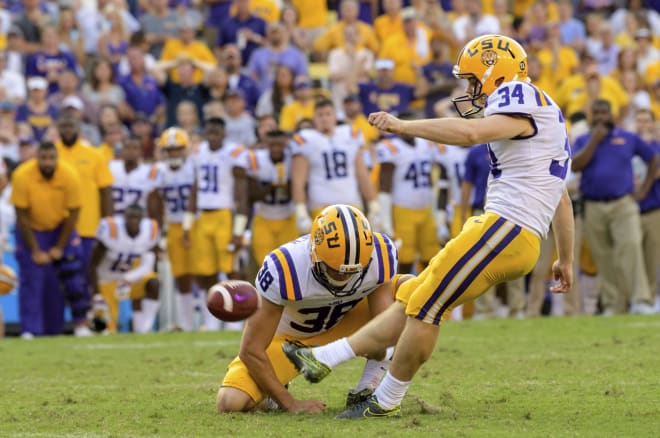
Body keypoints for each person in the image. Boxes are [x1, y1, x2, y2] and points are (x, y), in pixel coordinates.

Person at [283, 34, 575, 418]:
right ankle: (324, 358)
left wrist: (403, 126)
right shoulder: (545, 112)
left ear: (497, 76)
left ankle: (384, 401)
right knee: (415, 293)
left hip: (506, 228)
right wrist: (565, 257)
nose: (470, 90)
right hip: (517, 235)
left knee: (427, 307)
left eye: (473, 80)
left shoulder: (517, 94)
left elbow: (470, 134)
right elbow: (561, 195)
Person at [216, 204, 400, 413]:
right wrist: (290, 404)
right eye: (337, 272)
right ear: (314, 254)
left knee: (411, 291)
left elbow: (387, 325)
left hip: (346, 323)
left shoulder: (380, 254)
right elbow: (251, 350)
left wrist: (380, 348)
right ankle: (273, 396)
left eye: (352, 272)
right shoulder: (284, 268)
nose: (345, 278)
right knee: (230, 402)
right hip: (291, 341)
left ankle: (368, 389)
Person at [571, 100, 659, 315]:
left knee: (630, 247)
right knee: (603, 256)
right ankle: (613, 304)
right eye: (597, 113)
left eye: (604, 113)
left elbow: (653, 159)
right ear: (592, 115)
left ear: (612, 114)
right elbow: (575, 165)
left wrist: (644, 189)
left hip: (623, 203)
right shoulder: (583, 139)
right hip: (593, 204)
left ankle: (641, 300)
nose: (601, 117)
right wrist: (594, 141)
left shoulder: (627, 137)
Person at [11, 141, 91, 337]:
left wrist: (59, 247)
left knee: (71, 275)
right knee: (32, 278)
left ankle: (77, 325)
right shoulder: (22, 175)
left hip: (60, 227)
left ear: (57, 158)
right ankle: (30, 329)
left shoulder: (69, 174)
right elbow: (21, 214)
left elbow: (73, 213)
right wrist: (36, 250)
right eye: (43, 158)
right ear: (37, 158)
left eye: (51, 158)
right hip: (31, 228)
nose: (47, 163)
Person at [185, 117, 250, 330]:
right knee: (205, 272)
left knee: (231, 268)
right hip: (203, 216)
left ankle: (237, 316)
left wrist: (239, 229)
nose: (213, 136)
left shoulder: (233, 153)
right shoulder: (198, 152)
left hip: (224, 214)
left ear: (223, 134)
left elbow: (242, 193)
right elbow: (195, 187)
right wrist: (187, 223)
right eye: (209, 132)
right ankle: (213, 314)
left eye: (216, 132)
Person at [290, 98, 379, 234]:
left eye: (328, 114)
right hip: (322, 209)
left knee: (357, 251)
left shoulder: (351, 134)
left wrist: (373, 204)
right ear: (314, 118)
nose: (324, 118)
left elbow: (362, 174)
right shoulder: (306, 139)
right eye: (320, 115)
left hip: (352, 205)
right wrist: (301, 211)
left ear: (335, 116)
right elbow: (298, 180)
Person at [376, 120, 440, 274]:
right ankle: (401, 295)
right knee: (404, 259)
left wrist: (438, 210)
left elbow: (434, 180)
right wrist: (384, 217)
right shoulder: (391, 147)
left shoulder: (427, 145)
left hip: (426, 209)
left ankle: (430, 294)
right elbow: (384, 185)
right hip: (403, 209)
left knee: (431, 257)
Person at [55, 114, 114, 280]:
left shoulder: (93, 154)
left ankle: (86, 306)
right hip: (58, 225)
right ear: (58, 129)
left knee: (86, 272)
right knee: (59, 275)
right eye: (63, 126)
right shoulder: (52, 153)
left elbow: (105, 190)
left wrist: (108, 221)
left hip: (87, 225)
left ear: (78, 129)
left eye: (70, 126)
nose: (67, 130)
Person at [89, 204, 160, 333]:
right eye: (130, 217)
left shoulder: (149, 231)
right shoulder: (112, 231)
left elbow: (148, 264)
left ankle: (144, 329)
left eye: (137, 218)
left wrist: (128, 278)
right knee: (105, 330)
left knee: (153, 283)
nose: (133, 221)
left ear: (142, 219)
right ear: (124, 218)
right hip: (107, 280)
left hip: (128, 279)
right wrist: (96, 293)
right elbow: (93, 264)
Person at [155, 127, 196, 331]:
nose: (173, 154)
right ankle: (187, 324)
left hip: (196, 224)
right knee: (181, 277)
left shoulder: (194, 167)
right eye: (169, 150)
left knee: (205, 273)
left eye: (177, 149)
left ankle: (211, 321)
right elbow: (156, 203)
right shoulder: (159, 172)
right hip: (173, 225)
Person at [246, 129, 296, 265]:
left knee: (290, 263)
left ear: (285, 144)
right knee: (265, 264)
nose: (276, 149)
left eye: (279, 145)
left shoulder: (293, 159)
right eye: (272, 145)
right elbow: (251, 195)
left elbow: (300, 190)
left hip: (288, 217)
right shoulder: (256, 159)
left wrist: (287, 185)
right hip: (263, 218)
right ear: (266, 144)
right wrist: (271, 186)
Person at [108, 135, 161, 217]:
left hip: (139, 224)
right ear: (122, 150)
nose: (131, 151)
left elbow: (153, 205)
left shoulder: (150, 172)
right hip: (115, 222)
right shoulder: (110, 167)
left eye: (135, 148)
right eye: (127, 148)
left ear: (141, 151)